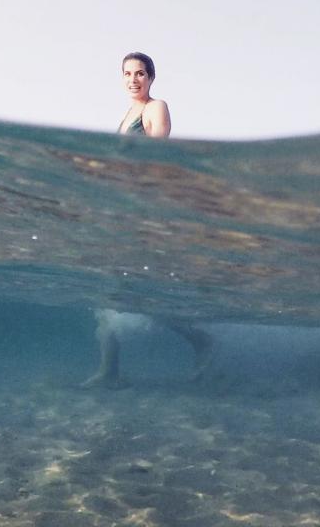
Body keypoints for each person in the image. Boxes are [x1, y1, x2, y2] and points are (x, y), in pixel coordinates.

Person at [81, 53, 212, 389]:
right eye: (127, 74)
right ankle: (109, 371)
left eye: (140, 73)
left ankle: (198, 338)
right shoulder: (127, 114)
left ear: (151, 77)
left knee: (128, 290)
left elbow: (155, 158)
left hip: (138, 212)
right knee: (107, 290)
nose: (133, 80)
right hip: (118, 209)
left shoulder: (156, 107)